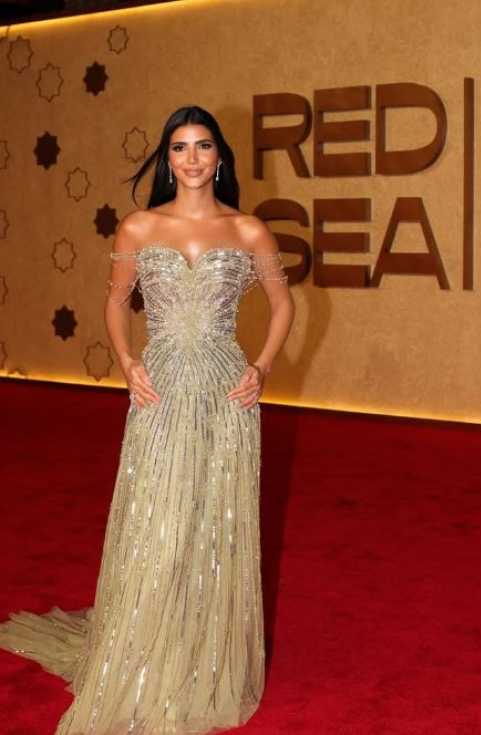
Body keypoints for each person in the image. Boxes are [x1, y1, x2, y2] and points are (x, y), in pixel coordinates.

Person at [0, 104, 295, 734]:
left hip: (226, 388)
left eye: (203, 146)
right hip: (159, 386)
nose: (192, 159)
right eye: (179, 148)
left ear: (221, 158)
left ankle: (202, 655)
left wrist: (263, 367)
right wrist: (127, 361)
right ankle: (142, 645)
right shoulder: (139, 225)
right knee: (158, 513)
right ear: (166, 159)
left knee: (213, 516)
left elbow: (282, 302)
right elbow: (115, 302)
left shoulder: (248, 230)